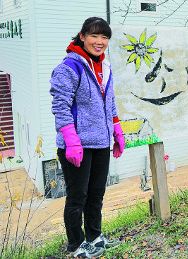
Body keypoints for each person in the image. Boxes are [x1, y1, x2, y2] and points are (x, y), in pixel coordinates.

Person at [50, 17, 125, 258]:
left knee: (96, 194)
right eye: (94, 36)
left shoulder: (105, 67)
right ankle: (76, 245)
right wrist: (71, 140)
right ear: (82, 36)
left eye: (104, 37)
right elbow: (60, 106)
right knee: (77, 197)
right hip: (77, 145)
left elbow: (109, 103)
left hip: (101, 142)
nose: (100, 41)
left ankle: (95, 236)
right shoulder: (69, 67)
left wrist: (117, 131)